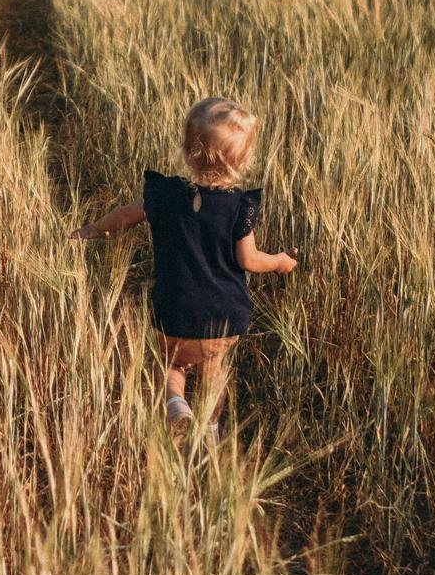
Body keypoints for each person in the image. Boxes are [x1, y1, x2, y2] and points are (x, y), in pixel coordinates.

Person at [71, 97, 298, 438]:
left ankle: (175, 402)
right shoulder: (240, 207)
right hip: (222, 316)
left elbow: (123, 216)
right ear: (245, 159)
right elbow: (248, 260)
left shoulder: (164, 195)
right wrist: (280, 261)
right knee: (213, 369)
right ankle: (210, 429)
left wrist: (93, 229)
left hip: (174, 311)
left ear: (187, 149)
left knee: (172, 364)